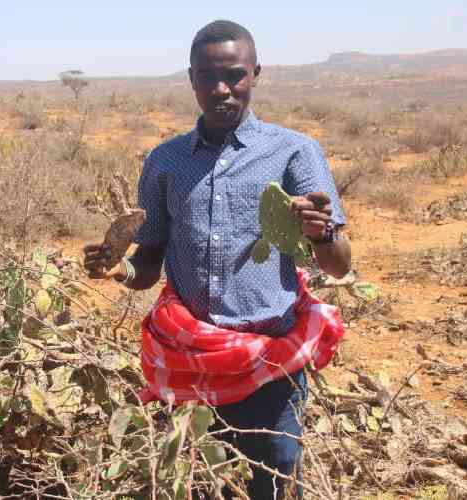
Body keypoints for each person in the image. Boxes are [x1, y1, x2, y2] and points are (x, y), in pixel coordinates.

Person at [83, 19, 352, 500]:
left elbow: (339, 265)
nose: (221, 89)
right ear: (191, 80)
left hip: (270, 357)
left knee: (277, 479)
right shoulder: (165, 161)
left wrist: (321, 232)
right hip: (191, 360)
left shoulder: (295, 152)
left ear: (256, 73)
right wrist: (115, 269)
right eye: (207, 78)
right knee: (206, 482)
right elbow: (148, 263)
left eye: (235, 75)